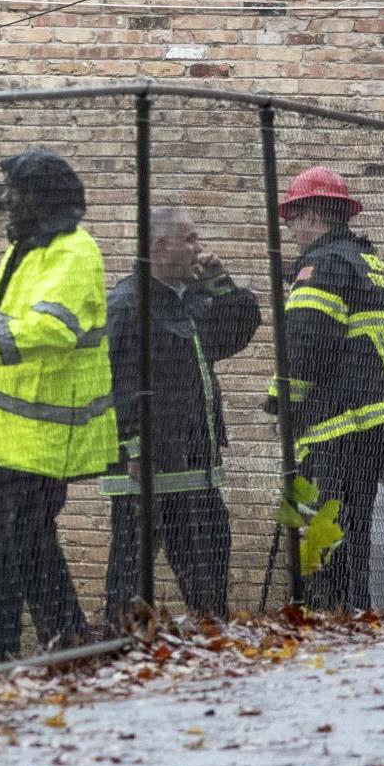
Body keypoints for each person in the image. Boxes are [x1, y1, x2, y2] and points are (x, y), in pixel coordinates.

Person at [0, 149, 116, 661]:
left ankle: (1, 651)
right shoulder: (33, 250)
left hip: (43, 437)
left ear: (41, 198)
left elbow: (55, 327)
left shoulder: (73, 252)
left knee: (14, 544)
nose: (6, 201)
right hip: (15, 435)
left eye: (15, 193)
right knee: (23, 544)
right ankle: (61, 642)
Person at [100, 207, 259, 627]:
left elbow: (239, 329)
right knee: (130, 575)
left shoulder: (189, 300)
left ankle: (212, 644)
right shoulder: (126, 305)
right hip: (146, 473)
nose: (198, 247)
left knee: (210, 566)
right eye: (188, 239)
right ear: (158, 248)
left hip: (196, 467)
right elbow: (115, 382)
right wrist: (134, 446)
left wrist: (218, 282)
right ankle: (120, 647)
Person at [275, 166, 384, 609]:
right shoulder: (369, 262)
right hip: (372, 424)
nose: (291, 228)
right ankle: (353, 617)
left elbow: (305, 342)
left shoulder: (320, 265)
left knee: (315, 526)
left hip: (334, 426)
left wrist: (279, 404)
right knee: (354, 528)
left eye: (292, 218)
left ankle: (323, 615)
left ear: (313, 215)